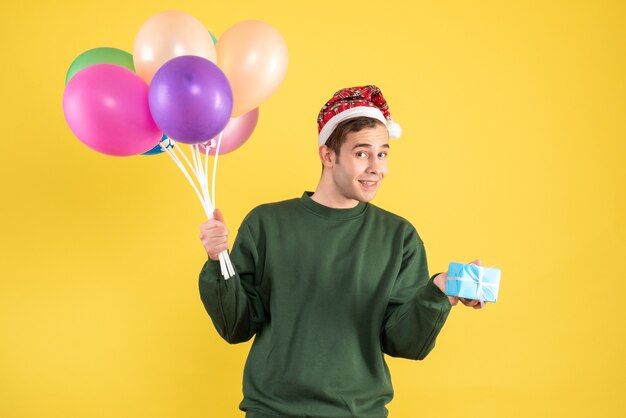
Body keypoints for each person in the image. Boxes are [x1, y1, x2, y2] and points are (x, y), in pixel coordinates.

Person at [198, 85, 485, 418]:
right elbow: (236, 325)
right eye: (362, 153)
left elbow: (404, 344)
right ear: (328, 155)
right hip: (272, 411)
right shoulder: (267, 223)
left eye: (383, 153)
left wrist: (439, 292)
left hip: (358, 412)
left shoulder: (399, 237)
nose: (377, 167)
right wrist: (219, 260)